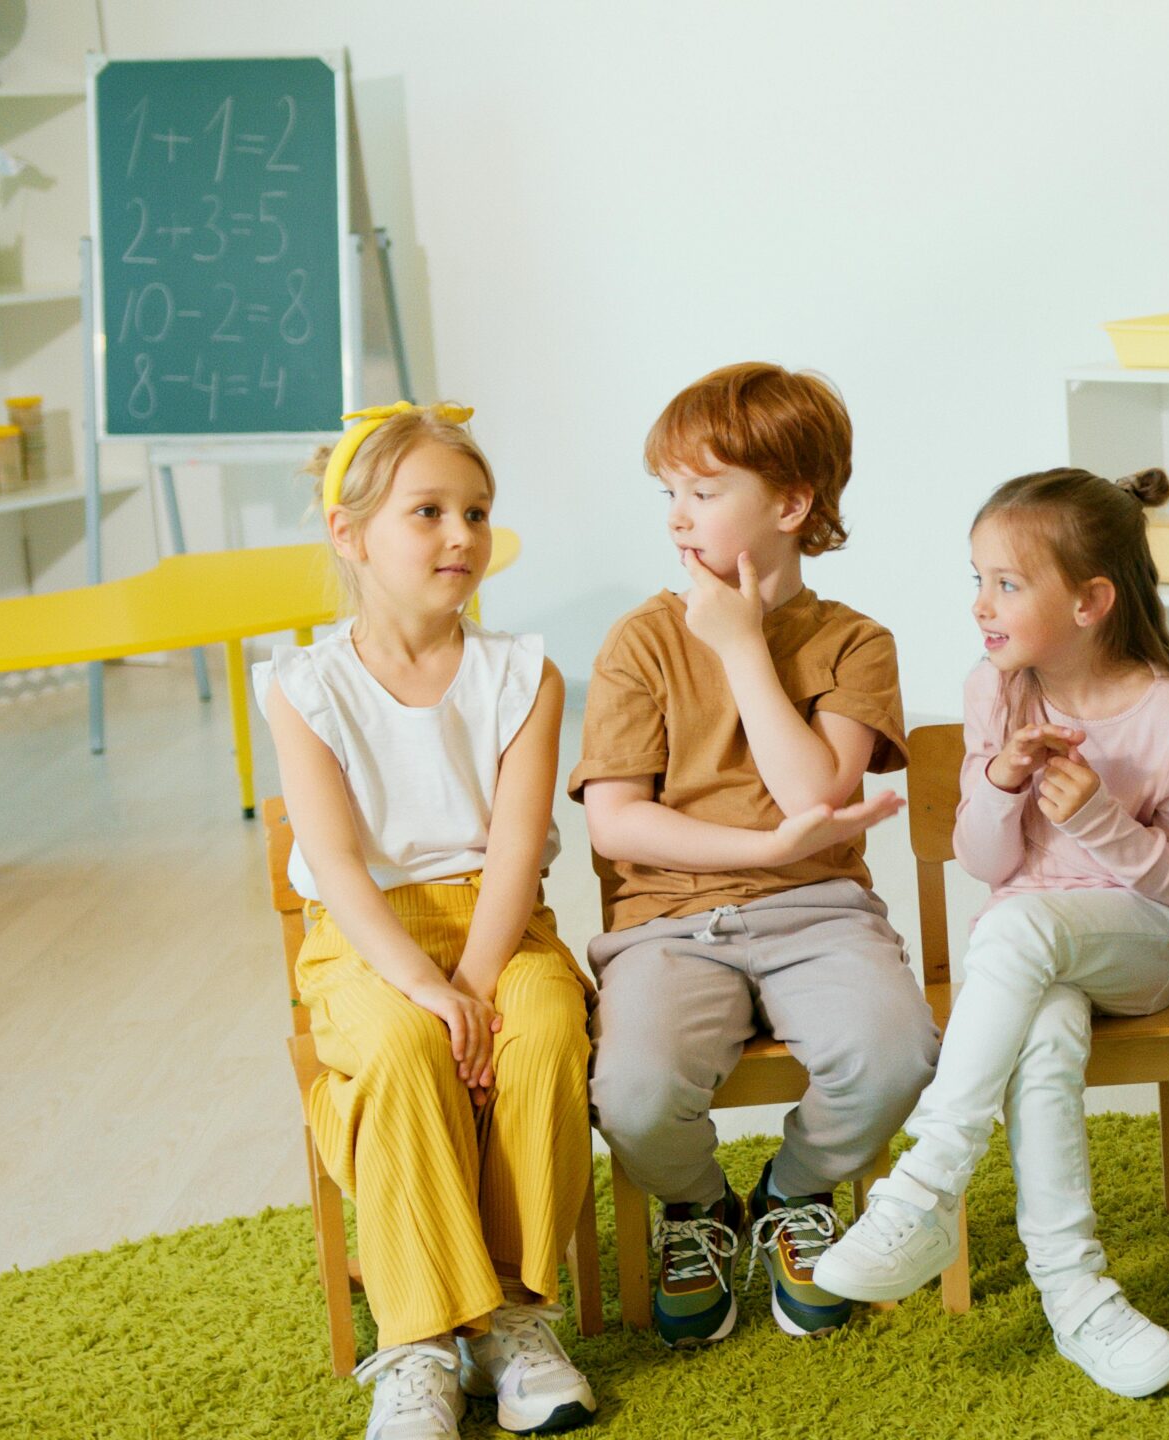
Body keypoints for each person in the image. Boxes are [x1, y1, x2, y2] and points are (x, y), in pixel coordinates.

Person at [817, 467, 1169, 1399]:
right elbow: (986, 863)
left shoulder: (1167, 714)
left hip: (1146, 945)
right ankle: (1076, 1294)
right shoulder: (997, 691)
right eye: (976, 579)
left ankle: (924, 1188)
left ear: (1089, 601)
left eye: (1006, 583)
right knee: (1041, 1029)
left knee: (1020, 929)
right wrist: (999, 780)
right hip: (1038, 956)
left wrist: (1101, 825)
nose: (980, 606)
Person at [573, 362, 932, 1347]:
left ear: (791, 502)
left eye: (702, 491)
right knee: (635, 1096)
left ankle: (795, 1189)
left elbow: (814, 793)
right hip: (666, 924)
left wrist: (739, 646)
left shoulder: (855, 642)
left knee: (895, 1053)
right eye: (669, 494)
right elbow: (616, 824)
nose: (676, 517)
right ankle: (699, 1208)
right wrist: (763, 845)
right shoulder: (638, 641)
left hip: (817, 910)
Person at [260, 403, 596, 1438]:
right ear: (349, 535)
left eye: (477, 512)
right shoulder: (302, 687)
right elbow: (342, 876)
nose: (461, 536)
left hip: (500, 931)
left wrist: (482, 987)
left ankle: (516, 1320)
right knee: (408, 1046)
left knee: (541, 1031)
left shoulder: (521, 676)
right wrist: (425, 986)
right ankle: (417, 1343)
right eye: (429, 513)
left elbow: (511, 852)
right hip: (370, 945)